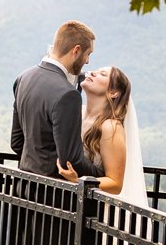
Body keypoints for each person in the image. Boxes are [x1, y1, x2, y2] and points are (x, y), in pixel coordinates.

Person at [11, 20, 101, 181]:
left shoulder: (23, 78)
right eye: (88, 54)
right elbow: (72, 160)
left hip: (22, 188)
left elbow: (17, 143)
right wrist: (102, 174)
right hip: (53, 196)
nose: (88, 61)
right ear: (76, 50)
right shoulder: (68, 94)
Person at [60, 65, 150, 207]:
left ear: (114, 92)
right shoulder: (77, 112)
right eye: (95, 71)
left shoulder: (110, 127)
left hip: (93, 210)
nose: (93, 73)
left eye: (102, 74)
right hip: (68, 201)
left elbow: (115, 184)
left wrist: (77, 180)